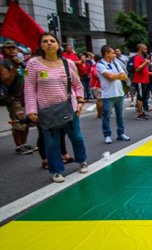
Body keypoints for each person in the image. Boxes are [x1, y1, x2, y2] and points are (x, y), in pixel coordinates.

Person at [24, 32, 90, 183]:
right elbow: (29, 88)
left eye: (52, 41)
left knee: (77, 137)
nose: (49, 43)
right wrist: (31, 110)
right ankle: (57, 171)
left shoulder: (68, 63)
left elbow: (78, 85)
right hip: (47, 111)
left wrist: (79, 102)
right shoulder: (33, 64)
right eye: (45, 41)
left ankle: (82, 161)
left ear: (58, 44)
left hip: (69, 107)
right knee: (52, 143)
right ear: (40, 45)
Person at [1, 41, 35, 155]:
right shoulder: (3, 64)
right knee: (17, 123)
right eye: (8, 48)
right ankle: (19, 145)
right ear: (3, 51)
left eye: (13, 47)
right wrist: (14, 67)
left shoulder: (20, 62)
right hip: (13, 98)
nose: (11, 50)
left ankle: (24, 143)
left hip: (25, 96)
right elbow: (7, 81)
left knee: (26, 121)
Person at [96, 45, 130, 144]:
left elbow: (124, 76)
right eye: (112, 53)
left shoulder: (115, 63)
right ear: (106, 53)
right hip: (108, 94)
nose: (114, 55)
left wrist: (116, 75)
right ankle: (107, 135)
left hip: (119, 93)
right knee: (106, 116)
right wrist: (117, 75)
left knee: (120, 116)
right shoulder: (100, 64)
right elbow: (109, 76)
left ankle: (121, 133)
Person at [131, 44, 150, 119]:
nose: (146, 50)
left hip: (144, 80)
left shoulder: (142, 57)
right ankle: (140, 113)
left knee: (143, 96)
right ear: (140, 49)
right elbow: (137, 69)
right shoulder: (137, 57)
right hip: (140, 81)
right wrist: (145, 62)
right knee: (140, 97)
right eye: (144, 49)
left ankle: (141, 111)